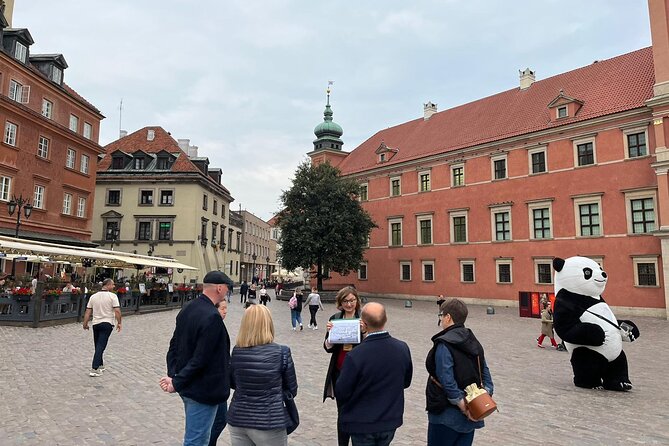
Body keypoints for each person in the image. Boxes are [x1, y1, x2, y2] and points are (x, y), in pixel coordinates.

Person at [160, 271, 233, 446]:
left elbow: (173, 347)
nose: (227, 292)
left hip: (204, 387)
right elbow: (201, 358)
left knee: (220, 420)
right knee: (196, 440)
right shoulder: (212, 317)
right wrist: (176, 381)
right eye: (227, 289)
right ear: (219, 288)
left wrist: (174, 374)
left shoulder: (188, 308)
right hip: (203, 389)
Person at [336, 302, 413, 446]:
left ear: (363, 324)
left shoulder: (355, 355)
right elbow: (406, 382)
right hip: (390, 420)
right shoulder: (402, 348)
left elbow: (341, 392)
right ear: (385, 320)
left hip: (362, 422)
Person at [426, 298, 494, 446]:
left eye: (441, 316)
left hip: (446, 414)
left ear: (448, 317)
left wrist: (464, 407)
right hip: (472, 416)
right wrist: (479, 402)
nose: (441, 320)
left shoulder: (444, 344)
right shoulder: (473, 340)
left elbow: (447, 380)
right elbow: (485, 374)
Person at [227, 304, 298, 446]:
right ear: (268, 324)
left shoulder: (237, 351)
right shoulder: (281, 352)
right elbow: (291, 389)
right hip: (269, 420)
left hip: (239, 418)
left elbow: (233, 382)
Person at [324, 286, 363, 446]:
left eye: (352, 300)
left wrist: (365, 332)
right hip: (340, 371)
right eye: (345, 301)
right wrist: (331, 336)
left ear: (357, 301)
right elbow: (327, 347)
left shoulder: (363, 319)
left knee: (359, 410)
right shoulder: (335, 318)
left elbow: (371, 345)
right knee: (343, 411)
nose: (349, 304)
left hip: (360, 373)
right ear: (340, 303)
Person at [82, 278, 122, 377]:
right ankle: (94, 368)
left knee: (98, 344)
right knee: (101, 345)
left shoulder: (93, 297)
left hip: (96, 323)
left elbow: (88, 311)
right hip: (107, 323)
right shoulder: (112, 296)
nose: (113, 286)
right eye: (112, 285)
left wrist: (85, 323)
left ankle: (100, 365)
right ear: (108, 285)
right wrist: (119, 322)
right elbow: (117, 311)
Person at [208, 300, 229, 446]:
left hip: (218, 381)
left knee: (218, 420)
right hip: (213, 382)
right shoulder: (212, 327)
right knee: (219, 420)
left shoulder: (219, 325)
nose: (225, 311)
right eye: (223, 308)